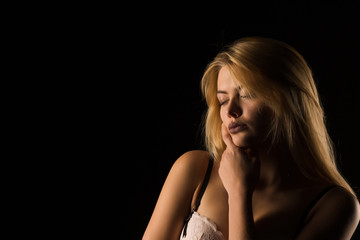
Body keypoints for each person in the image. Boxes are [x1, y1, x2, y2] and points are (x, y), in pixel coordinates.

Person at [142, 37, 360, 240]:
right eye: (223, 100)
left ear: (291, 101)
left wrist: (239, 194)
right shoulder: (195, 169)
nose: (231, 111)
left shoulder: (334, 205)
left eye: (247, 94)